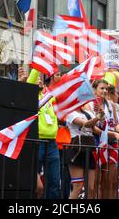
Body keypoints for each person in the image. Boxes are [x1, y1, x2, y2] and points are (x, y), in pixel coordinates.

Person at [84, 79, 119, 199]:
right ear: (94, 90)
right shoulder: (89, 104)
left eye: (106, 89)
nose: (104, 91)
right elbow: (94, 129)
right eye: (101, 88)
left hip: (111, 144)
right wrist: (113, 134)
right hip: (97, 144)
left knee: (110, 181)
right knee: (96, 181)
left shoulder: (111, 105)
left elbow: (113, 125)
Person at [23, 68, 61, 199]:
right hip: (38, 141)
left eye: (40, 80)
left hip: (52, 143)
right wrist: (37, 66)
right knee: (36, 186)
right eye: (36, 80)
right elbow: (31, 81)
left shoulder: (50, 97)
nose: (38, 81)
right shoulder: (30, 96)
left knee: (55, 182)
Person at [65, 108, 104, 199]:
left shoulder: (88, 113)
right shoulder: (70, 112)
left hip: (89, 149)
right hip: (76, 150)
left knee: (91, 187)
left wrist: (114, 134)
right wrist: (98, 117)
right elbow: (86, 124)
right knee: (77, 187)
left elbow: (96, 128)